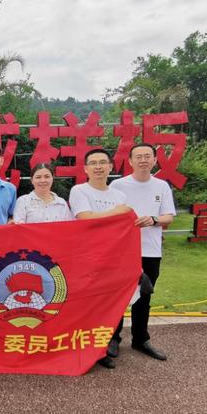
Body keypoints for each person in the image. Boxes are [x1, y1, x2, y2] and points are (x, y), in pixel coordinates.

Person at [109, 143, 175, 361]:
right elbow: (111, 216)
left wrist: (153, 220)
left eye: (148, 156)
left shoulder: (162, 186)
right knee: (117, 295)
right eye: (138, 157)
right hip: (122, 251)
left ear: (155, 160)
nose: (143, 160)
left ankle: (140, 339)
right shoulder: (117, 185)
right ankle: (113, 339)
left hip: (150, 250)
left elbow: (169, 217)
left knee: (144, 295)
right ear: (130, 161)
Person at [69, 148, 131, 370]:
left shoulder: (119, 196)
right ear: (85, 168)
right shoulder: (79, 190)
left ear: (110, 166)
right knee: (88, 304)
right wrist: (116, 213)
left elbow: (124, 227)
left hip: (113, 255)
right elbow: (85, 219)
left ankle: (102, 347)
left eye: (102, 162)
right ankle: (84, 348)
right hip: (87, 256)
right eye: (93, 163)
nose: (98, 167)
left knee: (109, 302)